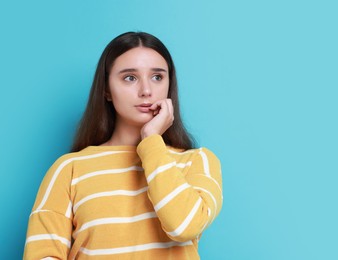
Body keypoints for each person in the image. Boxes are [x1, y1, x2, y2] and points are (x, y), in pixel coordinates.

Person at [23, 32, 223, 259]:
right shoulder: (69, 169)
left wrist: (151, 141)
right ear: (106, 89)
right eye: (130, 78)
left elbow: (183, 226)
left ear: (169, 84)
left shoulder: (198, 161)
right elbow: (43, 255)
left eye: (157, 77)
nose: (146, 90)